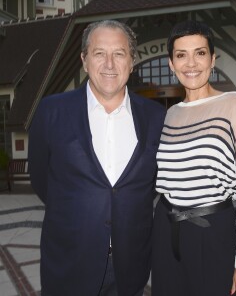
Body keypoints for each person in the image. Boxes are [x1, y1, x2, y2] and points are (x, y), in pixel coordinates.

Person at [28, 20, 166, 296]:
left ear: (132, 60)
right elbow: (42, 181)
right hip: (69, 264)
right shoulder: (51, 111)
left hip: (130, 268)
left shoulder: (156, 117)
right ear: (84, 60)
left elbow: (150, 185)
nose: (109, 64)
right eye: (99, 53)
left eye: (119, 53)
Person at [152, 20, 236, 296]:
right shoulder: (170, 114)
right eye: (181, 55)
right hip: (166, 230)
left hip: (212, 232)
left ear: (213, 59)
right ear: (171, 63)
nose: (191, 63)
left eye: (200, 53)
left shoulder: (234, 104)